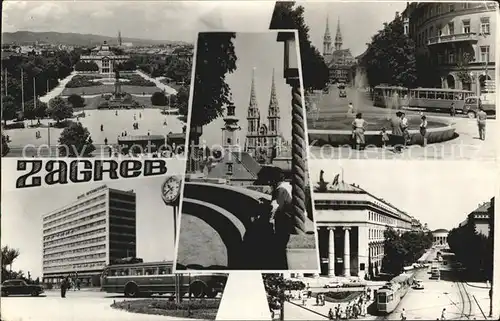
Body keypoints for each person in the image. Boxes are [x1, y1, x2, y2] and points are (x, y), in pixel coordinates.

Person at [269, 168, 293, 269]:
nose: (270, 183)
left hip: (285, 221)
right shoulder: (287, 186)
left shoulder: (281, 189)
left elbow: (275, 206)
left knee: (279, 245)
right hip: (288, 219)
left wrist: (270, 219)